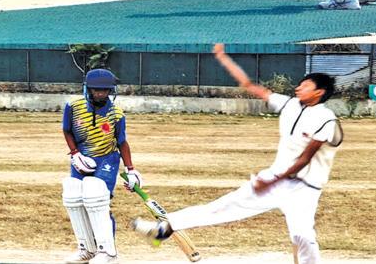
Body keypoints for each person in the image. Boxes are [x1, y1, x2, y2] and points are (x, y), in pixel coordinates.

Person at [130, 44, 343, 264]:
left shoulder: (325, 119)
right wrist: (222, 57)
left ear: (319, 92)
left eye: (305, 85)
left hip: (304, 188)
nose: (298, 88)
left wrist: (271, 182)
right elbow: (248, 84)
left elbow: (305, 159)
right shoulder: (288, 104)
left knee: (303, 236)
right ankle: (163, 229)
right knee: (221, 207)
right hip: (274, 178)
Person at [62, 69, 141, 264]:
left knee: (96, 198)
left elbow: (121, 142)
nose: (101, 94)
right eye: (97, 90)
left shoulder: (116, 113)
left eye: (105, 90)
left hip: (107, 158)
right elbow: (67, 131)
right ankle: (87, 248)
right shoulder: (73, 106)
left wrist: (131, 170)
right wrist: (75, 153)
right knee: (74, 197)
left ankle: (108, 252)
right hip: (82, 158)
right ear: (88, 89)